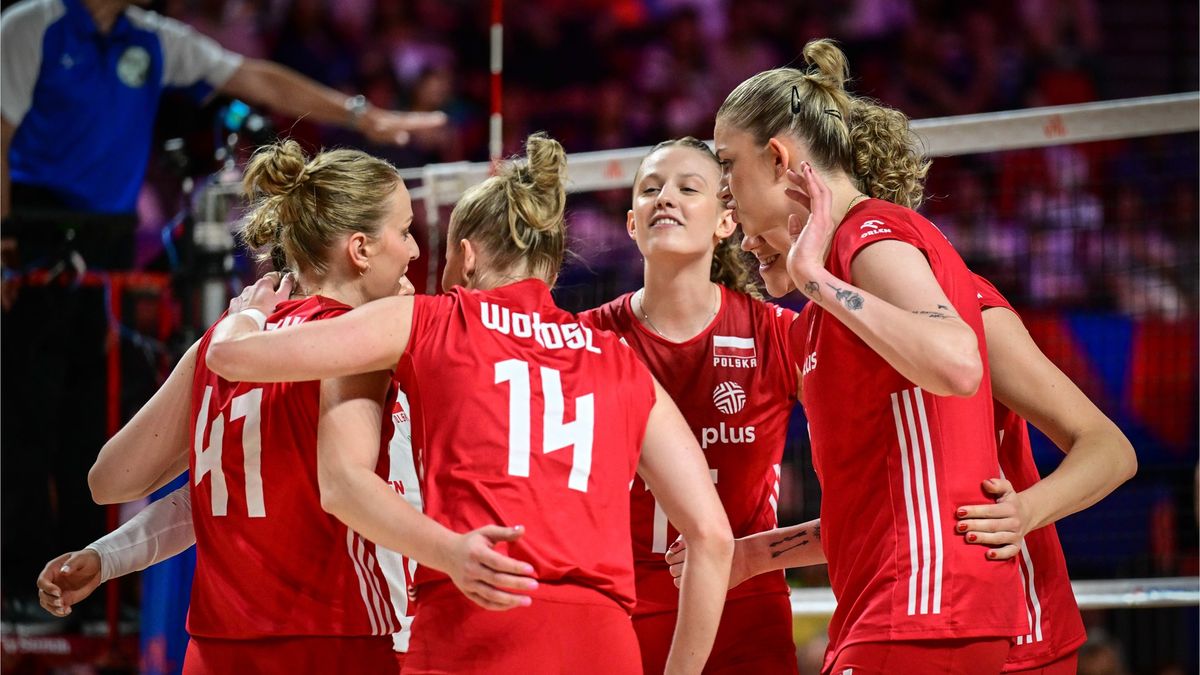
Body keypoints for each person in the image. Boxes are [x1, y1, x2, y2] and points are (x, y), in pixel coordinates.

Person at [203, 132, 735, 675]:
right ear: (552, 270)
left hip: (476, 623)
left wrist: (247, 315)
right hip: (601, 640)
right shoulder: (621, 361)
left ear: (466, 255)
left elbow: (232, 359)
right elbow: (714, 539)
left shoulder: (430, 319)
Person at [62, 141, 534, 673]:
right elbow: (346, 488)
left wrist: (107, 556)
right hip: (333, 636)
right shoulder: (359, 348)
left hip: (216, 649)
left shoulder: (225, 343)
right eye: (405, 232)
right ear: (359, 249)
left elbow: (120, 482)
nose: (413, 251)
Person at [712, 40, 1026, 673]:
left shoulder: (867, 234)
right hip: (893, 606)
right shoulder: (823, 305)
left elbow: (958, 363)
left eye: (727, 165)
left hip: (923, 605)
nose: (725, 191)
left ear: (777, 158)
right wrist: (752, 555)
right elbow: (872, 505)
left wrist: (815, 281)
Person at [667, 272, 1138, 675]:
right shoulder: (807, 333)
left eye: (739, 202)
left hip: (1015, 629)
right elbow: (878, 516)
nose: (745, 237)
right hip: (893, 617)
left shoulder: (962, 305)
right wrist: (750, 556)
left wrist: (1027, 510)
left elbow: (1110, 449)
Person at [577, 137, 800, 674]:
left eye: (688, 188)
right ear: (632, 224)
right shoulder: (585, 341)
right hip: (619, 608)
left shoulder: (776, 334)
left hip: (745, 612)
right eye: (651, 189)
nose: (665, 198)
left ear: (726, 221)